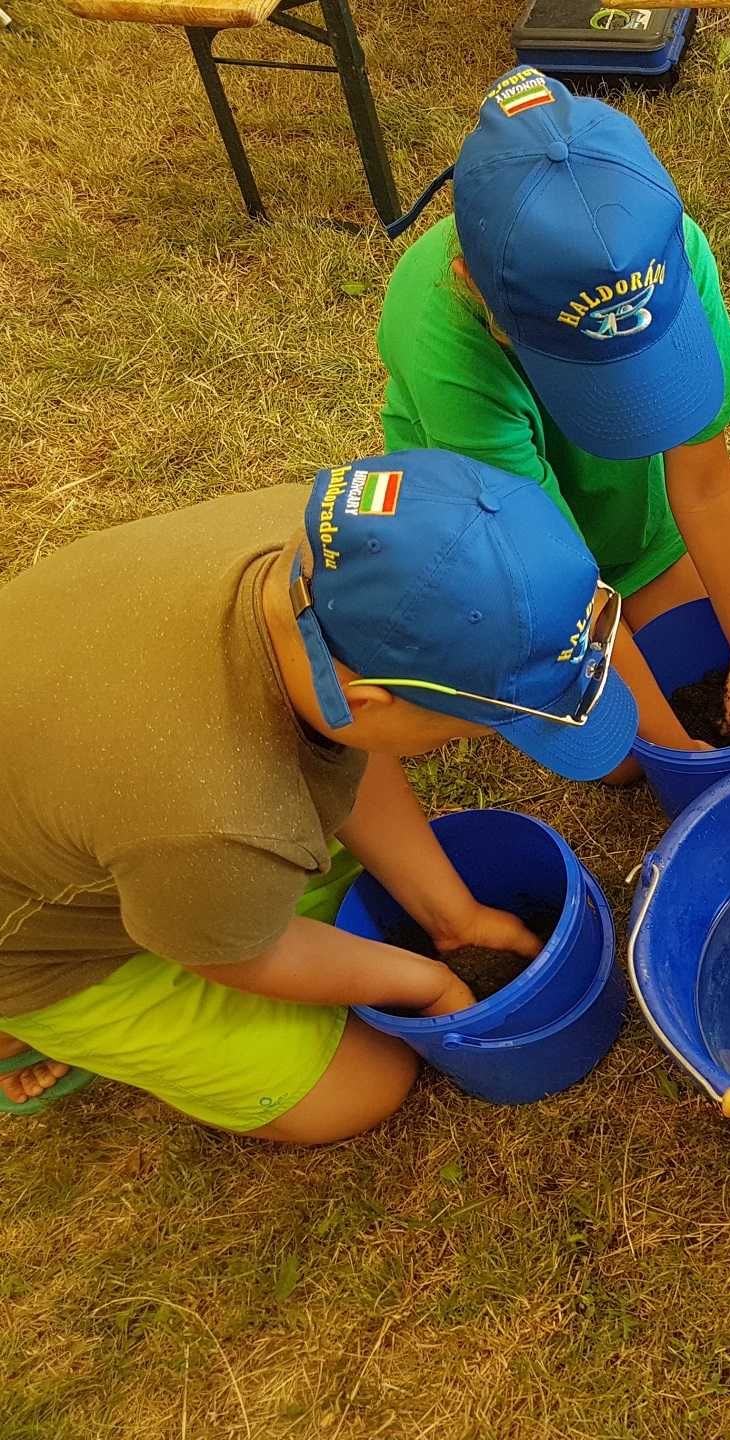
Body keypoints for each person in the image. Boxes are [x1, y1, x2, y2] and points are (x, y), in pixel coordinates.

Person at [0, 450, 639, 1142]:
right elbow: (234, 955)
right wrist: (424, 983)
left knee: (301, 901)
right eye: (480, 728)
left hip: (107, 798)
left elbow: (349, 747)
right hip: (43, 942)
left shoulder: (326, 553)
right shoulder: (220, 819)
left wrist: (453, 917)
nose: (478, 744)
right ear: (371, 702)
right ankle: (24, 1027)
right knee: (363, 1085)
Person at [379, 68, 730, 768]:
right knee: (623, 761)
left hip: (622, 512)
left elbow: (703, 480)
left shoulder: (664, 251)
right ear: (475, 288)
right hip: (501, 531)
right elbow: (553, 572)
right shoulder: (440, 336)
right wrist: (683, 754)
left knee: (692, 655)